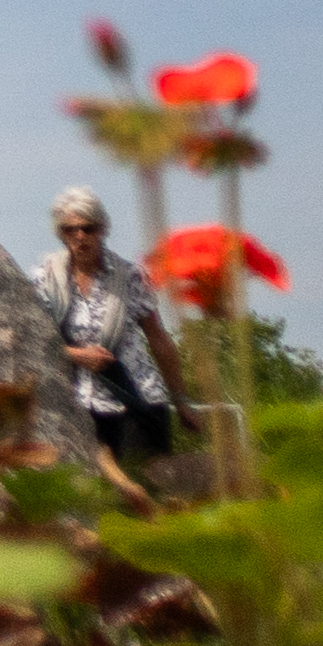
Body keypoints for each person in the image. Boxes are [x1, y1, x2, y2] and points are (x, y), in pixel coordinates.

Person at [45, 194, 185, 489]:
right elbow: (37, 340)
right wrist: (77, 355)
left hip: (136, 399)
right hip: (79, 405)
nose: (80, 236)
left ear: (103, 229)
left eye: (89, 228)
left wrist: (182, 401)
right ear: (60, 233)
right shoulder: (46, 279)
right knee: (95, 496)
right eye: (70, 229)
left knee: (152, 489)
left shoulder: (130, 276)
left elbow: (158, 338)